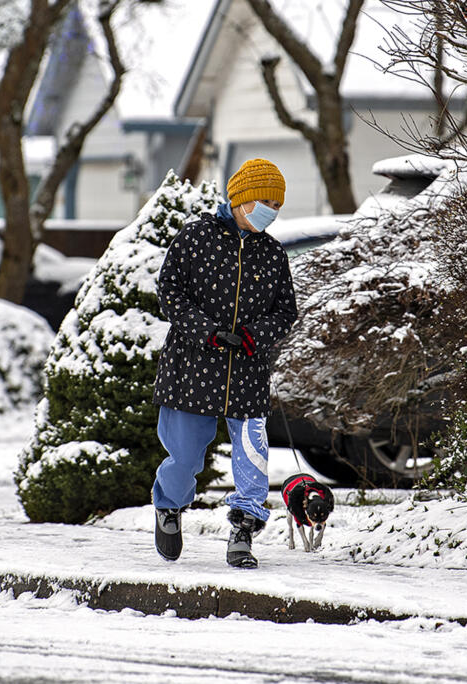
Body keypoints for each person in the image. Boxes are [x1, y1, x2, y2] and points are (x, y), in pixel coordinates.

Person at [150, 158, 298, 569]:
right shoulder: (195, 238)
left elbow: (286, 311)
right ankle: (168, 507)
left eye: (277, 204)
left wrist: (255, 335)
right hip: (193, 365)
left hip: (247, 371)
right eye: (264, 201)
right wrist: (207, 332)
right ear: (240, 199)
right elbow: (170, 293)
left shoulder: (272, 254)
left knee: (252, 458)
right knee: (184, 457)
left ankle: (243, 531)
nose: (271, 210)